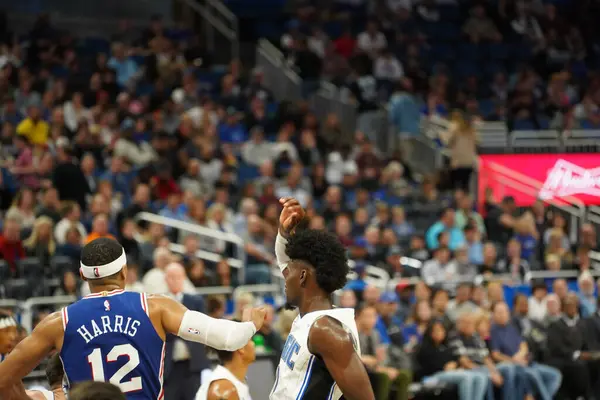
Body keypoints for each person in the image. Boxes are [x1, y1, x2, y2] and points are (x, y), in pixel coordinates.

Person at [0, 238, 267, 398]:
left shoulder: (58, 323)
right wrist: (250, 321)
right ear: (125, 271)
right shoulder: (155, 307)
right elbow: (230, 339)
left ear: (82, 276)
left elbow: (4, 380)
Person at [270, 198, 375, 400]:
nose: (284, 275)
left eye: (288, 272)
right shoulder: (311, 318)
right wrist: (284, 233)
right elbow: (286, 260)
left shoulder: (327, 331)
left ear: (302, 277)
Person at [164, 263, 211, 400]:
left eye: (178, 277)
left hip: (192, 365)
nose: (175, 280)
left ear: (184, 278)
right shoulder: (160, 303)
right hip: (169, 367)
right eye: (171, 277)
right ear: (165, 279)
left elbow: (202, 328)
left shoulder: (195, 301)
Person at [416, 320, 488, 400]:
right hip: (434, 375)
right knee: (466, 377)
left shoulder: (446, 346)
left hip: (450, 372)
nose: (439, 333)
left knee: (480, 377)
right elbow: (428, 366)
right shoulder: (425, 348)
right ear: (430, 332)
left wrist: (454, 364)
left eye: (441, 330)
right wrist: (444, 367)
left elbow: (454, 359)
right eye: (436, 330)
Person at [195, 335, 255, 400]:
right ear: (241, 348)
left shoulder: (234, 382)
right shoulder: (225, 389)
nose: (253, 344)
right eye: (250, 340)